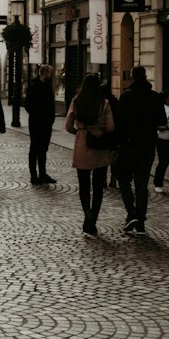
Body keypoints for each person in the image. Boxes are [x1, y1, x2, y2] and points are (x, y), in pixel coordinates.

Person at [116, 65, 168, 236]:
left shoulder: (126, 96)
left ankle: (131, 212)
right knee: (142, 184)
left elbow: (120, 123)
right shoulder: (155, 97)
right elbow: (162, 122)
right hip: (148, 146)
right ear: (145, 76)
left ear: (132, 77)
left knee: (123, 179)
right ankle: (140, 222)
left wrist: (117, 143)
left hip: (128, 145)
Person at [64, 73, 116, 236]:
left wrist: (80, 131)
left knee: (84, 184)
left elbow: (67, 126)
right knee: (98, 185)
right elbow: (111, 127)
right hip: (99, 144)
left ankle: (87, 213)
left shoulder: (77, 101)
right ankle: (93, 218)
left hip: (82, 142)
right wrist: (99, 129)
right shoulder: (104, 103)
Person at [25, 64, 58, 185]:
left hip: (46, 124)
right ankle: (34, 175)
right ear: (44, 73)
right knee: (34, 149)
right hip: (36, 123)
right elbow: (28, 105)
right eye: (50, 73)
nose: (52, 76)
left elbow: (51, 105)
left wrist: (50, 119)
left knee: (43, 149)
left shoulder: (48, 87)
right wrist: (38, 116)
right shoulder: (34, 87)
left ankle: (43, 174)